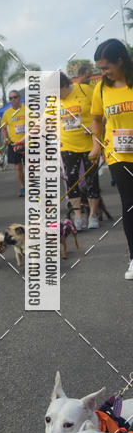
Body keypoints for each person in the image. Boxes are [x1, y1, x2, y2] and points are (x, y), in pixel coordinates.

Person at [90, 39, 133, 279]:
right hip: (118, 155)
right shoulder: (101, 89)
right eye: (99, 69)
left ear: (120, 60)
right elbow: (96, 119)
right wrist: (96, 143)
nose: (103, 73)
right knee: (129, 203)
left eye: (106, 68)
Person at [59, 71, 100, 230]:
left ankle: (93, 215)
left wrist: (93, 127)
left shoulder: (84, 90)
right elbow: (45, 121)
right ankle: (78, 217)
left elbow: (100, 112)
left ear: (65, 85)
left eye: (58, 92)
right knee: (72, 181)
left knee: (91, 180)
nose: (56, 96)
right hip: (68, 145)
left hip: (89, 144)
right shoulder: (53, 101)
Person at [0, 89, 26, 196]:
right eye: (11, 98)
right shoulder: (7, 113)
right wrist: (6, 139)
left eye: (15, 97)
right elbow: (3, 128)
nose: (13, 100)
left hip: (28, 143)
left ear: (19, 98)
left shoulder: (27, 110)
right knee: (18, 167)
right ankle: (22, 187)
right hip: (14, 143)